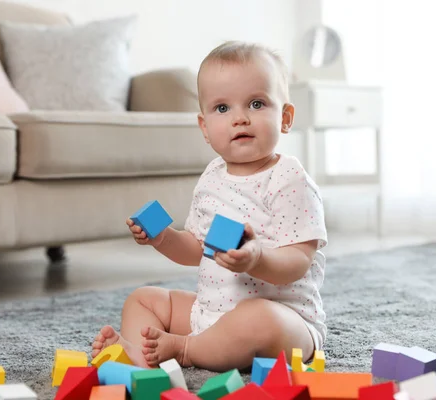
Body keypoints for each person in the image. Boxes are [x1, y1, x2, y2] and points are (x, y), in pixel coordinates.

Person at [91, 41, 327, 372]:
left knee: (256, 318)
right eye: (222, 109)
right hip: (210, 314)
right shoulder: (212, 177)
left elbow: (299, 260)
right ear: (205, 128)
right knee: (142, 299)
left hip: (284, 323)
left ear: (285, 117)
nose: (240, 118)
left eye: (256, 104)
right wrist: (162, 238)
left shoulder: (289, 179)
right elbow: (196, 249)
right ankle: (138, 358)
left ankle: (185, 350)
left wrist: (256, 258)